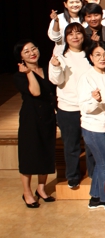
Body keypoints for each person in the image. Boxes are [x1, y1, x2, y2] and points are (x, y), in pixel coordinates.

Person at [78, 40, 105, 210]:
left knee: (100, 162)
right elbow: (85, 107)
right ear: (90, 57)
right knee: (104, 164)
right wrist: (95, 100)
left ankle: (96, 197)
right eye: (97, 55)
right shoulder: (86, 78)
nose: (102, 58)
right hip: (93, 128)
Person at [15, 40, 57, 208]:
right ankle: (27, 193)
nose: (32, 53)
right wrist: (28, 72)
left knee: (46, 151)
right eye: (26, 51)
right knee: (29, 154)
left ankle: (41, 189)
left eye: (33, 49)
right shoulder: (19, 76)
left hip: (47, 115)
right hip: (30, 118)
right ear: (21, 57)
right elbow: (36, 91)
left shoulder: (47, 69)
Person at [49, 23, 91, 190]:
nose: (75, 37)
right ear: (66, 38)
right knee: (71, 145)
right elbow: (56, 80)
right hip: (68, 108)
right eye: (71, 34)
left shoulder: (90, 55)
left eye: (78, 33)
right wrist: (56, 66)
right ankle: (72, 176)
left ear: (83, 36)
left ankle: (93, 173)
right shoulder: (60, 57)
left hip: (89, 107)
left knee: (91, 144)